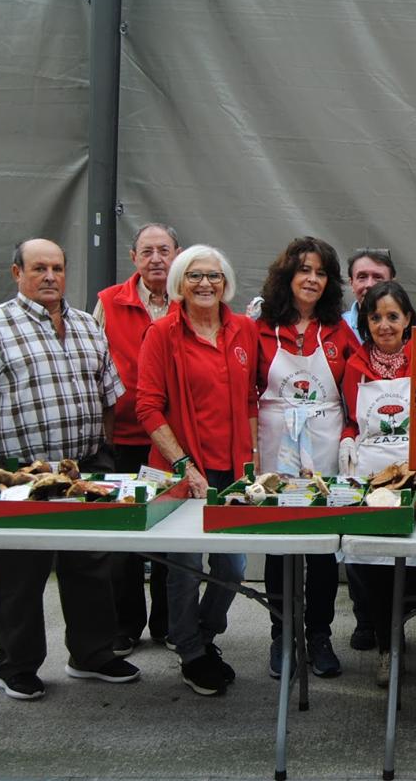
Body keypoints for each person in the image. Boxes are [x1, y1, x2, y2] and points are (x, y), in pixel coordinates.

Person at [0, 238, 138, 701]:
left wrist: (105, 449)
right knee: (20, 571)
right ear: (17, 273)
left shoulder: (89, 328)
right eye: (38, 268)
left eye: (57, 267)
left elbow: (108, 394)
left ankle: (91, 654)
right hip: (21, 474)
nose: (49, 276)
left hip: (83, 468)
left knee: (90, 565)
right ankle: (15, 664)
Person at [136, 244, 257, 696]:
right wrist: (184, 466)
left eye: (214, 277)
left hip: (231, 473)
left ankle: (204, 636)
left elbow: (249, 399)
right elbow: (148, 407)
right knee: (185, 567)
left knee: (233, 566)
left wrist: (253, 461)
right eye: (194, 276)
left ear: (226, 284)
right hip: (182, 473)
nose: (205, 284)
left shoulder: (242, 330)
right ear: (179, 284)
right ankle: (190, 653)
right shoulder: (162, 334)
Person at [255, 237, 360, 679]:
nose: (312, 279)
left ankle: (318, 635)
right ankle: (282, 635)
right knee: (281, 549)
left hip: (324, 449)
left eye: (320, 272)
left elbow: (360, 394)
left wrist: (352, 435)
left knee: (320, 550)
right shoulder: (257, 327)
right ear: (287, 276)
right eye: (304, 270)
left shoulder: (339, 332)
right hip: (274, 449)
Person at [340, 281, 416, 689]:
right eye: (375, 317)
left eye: (392, 316)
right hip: (373, 478)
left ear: (408, 320)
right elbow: (352, 418)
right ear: (365, 323)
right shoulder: (355, 365)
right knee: (379, 568)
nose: (384, 325)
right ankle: (390, 649)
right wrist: (347, 440)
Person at [95, 222, 182, 656]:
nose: (156, 259)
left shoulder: (194, 299)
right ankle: (125, 624)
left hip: (175, 440)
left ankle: (167, 622)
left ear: (177, 254)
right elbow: (93, 364)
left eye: (163, 250)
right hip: (127, 437)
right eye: (147, 251)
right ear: (134, 258)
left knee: (170, 531)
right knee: (125, 537)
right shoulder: (109, 303)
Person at [339, 248, 416, 338]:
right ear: (351, 283)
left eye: (378, 277)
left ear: (392, 284)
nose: (369, 284)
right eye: (362, 277)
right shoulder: (337, 328)